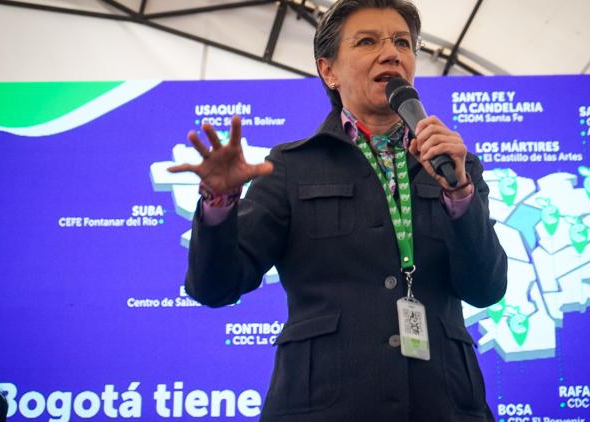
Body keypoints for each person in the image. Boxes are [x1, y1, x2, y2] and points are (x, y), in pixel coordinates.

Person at [169, 0, 507, 420]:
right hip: (322, 405)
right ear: (328, 71)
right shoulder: (291, 166)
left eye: (402, 42)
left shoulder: (455, 165)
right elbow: (214, 287)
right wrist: (219, 203)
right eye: (368, 41)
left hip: (443, 404)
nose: (391, 53)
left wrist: (459, 193)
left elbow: (486, 288)